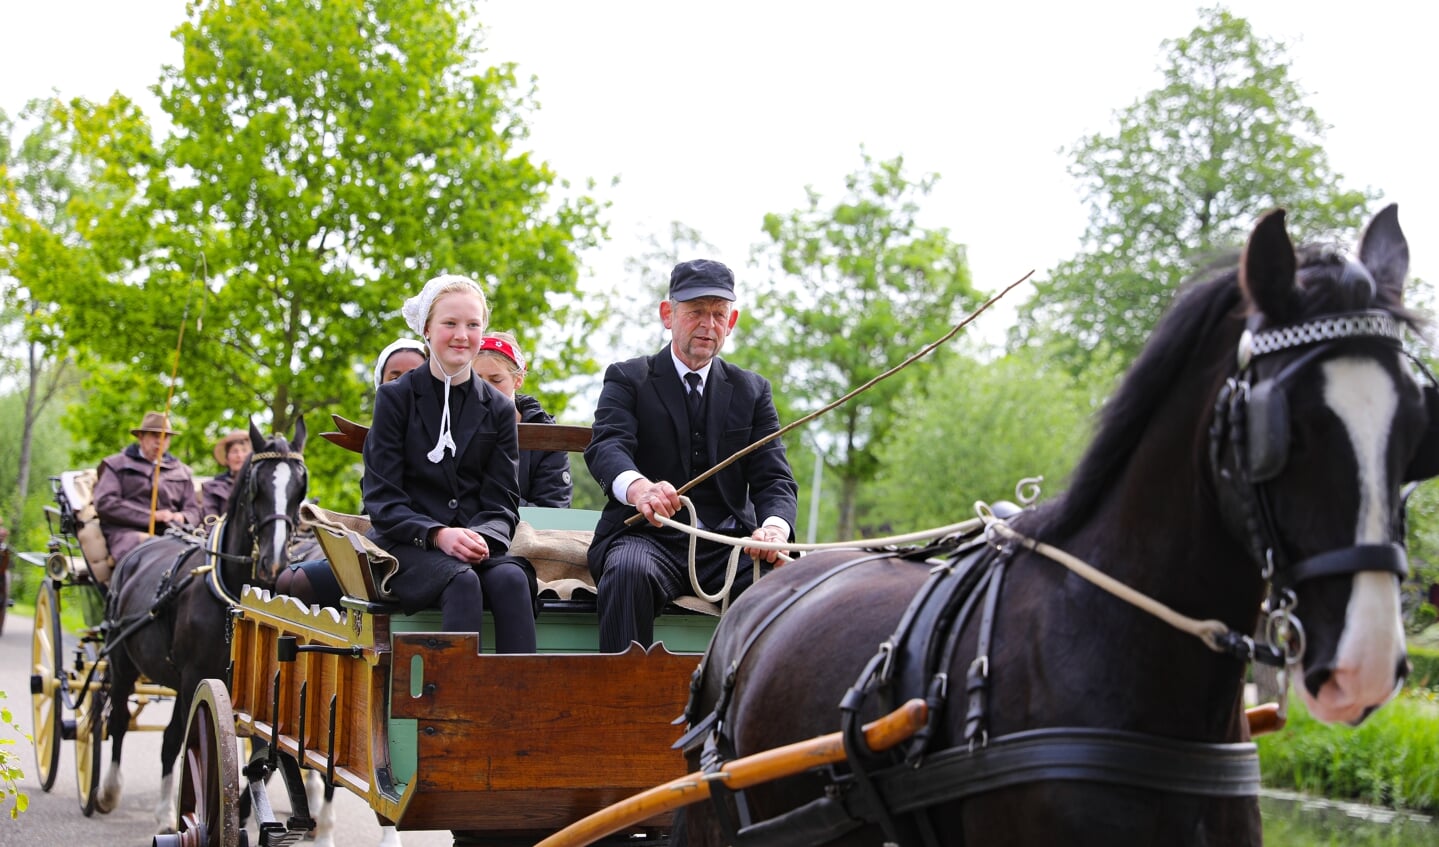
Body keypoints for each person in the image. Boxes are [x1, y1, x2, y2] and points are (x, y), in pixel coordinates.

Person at [585, 259, 799, 652]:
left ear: (731, 321)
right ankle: (624, 705)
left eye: (719, 314)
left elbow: (775, 479)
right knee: (628, 572)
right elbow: (607, 446)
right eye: (696, 312)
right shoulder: (628, 377)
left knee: (792, 585)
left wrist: (773, 530)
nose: (708, 325)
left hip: (728, 545)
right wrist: (639, 489)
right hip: (646, 539)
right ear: (668, 315)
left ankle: (750, 709)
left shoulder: (753, 391)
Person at [361, 274, 536, 651]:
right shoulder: (395, 399)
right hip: (407, 544)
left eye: (473, 325)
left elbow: (503, 501)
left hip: (475, 541)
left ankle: (519, 702)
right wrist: (438, 534)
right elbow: (382, 499)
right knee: (461, 581)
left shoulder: (500, 408)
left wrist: (481, 537)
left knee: (511, 579)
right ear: (427, 329)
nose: (462, 335)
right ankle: (454, 706)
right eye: (450, 323)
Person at [275, 338, 428, 606]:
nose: (404, 383)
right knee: (286, 579)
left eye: (414, 374)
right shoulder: (381, 437)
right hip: (379, 539)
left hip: (414, 548)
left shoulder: (442, 433)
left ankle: (352, 644)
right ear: (381, 385)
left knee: (300, 582)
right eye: (395, 376)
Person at [473, 330, 573, 508]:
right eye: (476, 379)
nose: (485, 389)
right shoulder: (449, 427)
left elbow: (553, 508)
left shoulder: (547, 435)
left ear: (517, 380)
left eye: (496, 380)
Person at [94, 411, 202, 566]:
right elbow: (105, 503)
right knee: (154, 550)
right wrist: (152, 516)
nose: (159, 441)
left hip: (175, 533)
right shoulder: (116, 465)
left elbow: (194, 510)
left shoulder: (181, 471)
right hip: (127, 534)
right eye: (154, 435)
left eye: (165, 437)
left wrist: (181, 517)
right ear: (141, 437)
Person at [201, 430, 253, 522]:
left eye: (244, 451)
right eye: (234, 451)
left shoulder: (259, 485)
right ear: (227, 458)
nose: (239, 456)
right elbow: (211, 521)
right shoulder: (212, 488)